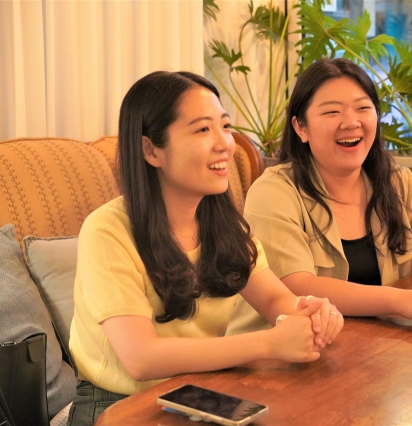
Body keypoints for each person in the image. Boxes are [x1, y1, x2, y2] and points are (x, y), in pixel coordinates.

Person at [68, 71, 343, 425]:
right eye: (202, 130)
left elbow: (275, 300)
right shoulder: (107, 230)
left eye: (225, 127)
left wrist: (310, 314)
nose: (225, 144)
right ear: (151, 150)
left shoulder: (223, 224)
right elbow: (141, 358)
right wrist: (271, 344)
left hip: (196, 392)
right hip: (115, 406)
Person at [231, 58, 412, 335]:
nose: (351, 122)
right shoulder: (273, 192)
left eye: (362, 108)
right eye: (331, 112)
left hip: (366, 348)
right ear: (301, 127)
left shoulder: (394, 181)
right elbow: (298, 286)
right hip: (275, 358)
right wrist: (401, 301)